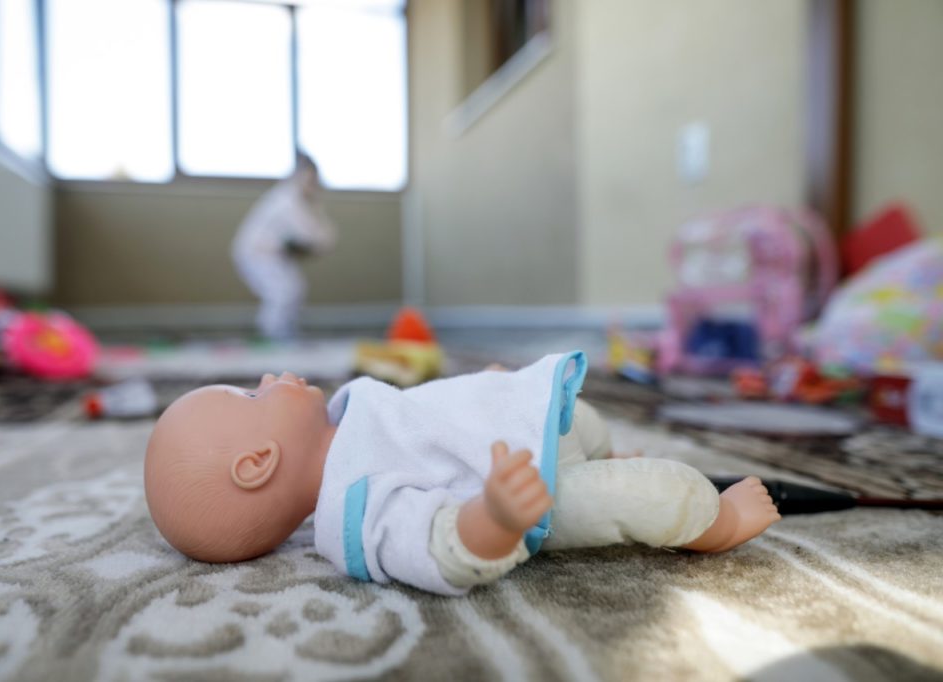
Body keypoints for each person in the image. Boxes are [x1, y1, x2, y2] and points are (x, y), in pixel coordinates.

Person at [144, 353, 780, 596]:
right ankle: (714, 521)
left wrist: (487, 392)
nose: (267, 380)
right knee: (655, 492)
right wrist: (496, 518)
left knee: (586, 422)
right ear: (258, 465)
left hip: (530, 432)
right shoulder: (357, 511)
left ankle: (604, 449)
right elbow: (440, 550)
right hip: (537, 499)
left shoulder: (351, 412)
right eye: (253, 399)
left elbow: (428, 416)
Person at [231, 153, 337, 340]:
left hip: (273, 254)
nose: (312, 184)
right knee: (283, 291)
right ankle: (271, 335)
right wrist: (322, 241)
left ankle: (284, 334)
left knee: (295, 288)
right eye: (309, 178)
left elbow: (321, 237)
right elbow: (312, 236)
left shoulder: (300, 200)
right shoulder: (287, 199)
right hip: (257, 253)